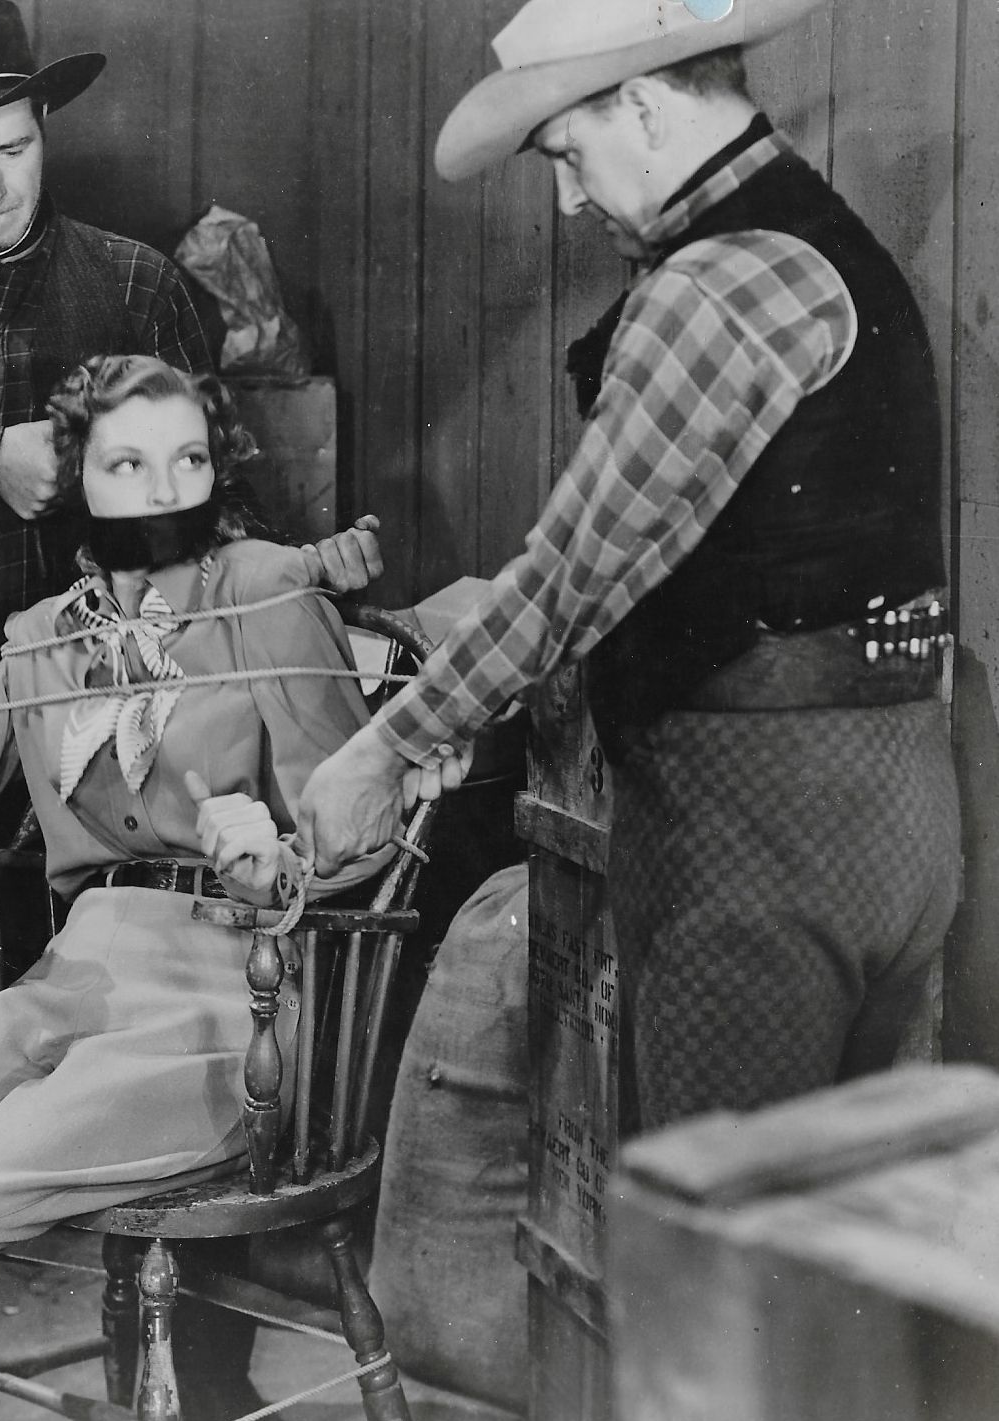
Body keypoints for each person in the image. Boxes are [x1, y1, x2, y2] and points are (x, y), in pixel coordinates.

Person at [0, 0, 380, 1421]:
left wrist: (266, 832)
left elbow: (346, 830)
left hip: (218, 984)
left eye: (12, 150)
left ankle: (193, 1387)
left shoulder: (144, 312)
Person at [299, 0, 960, 1134]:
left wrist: (388, 744)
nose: (570, 197)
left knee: (710, 1246)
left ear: (645, 107)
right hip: (900, 806)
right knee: (838, 1252)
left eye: (570, 155)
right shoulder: (826, 242)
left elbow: (572, 574)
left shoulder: (711, 286)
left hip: (759, 837)